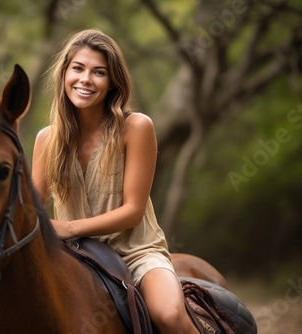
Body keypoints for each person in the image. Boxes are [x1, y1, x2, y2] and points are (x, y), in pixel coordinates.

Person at [31, 28, 199, 334]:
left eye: (99, 73)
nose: (85, 80)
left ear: (112, 83)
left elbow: (133, 211)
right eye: (78, 69)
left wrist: (66, 228)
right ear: (64, 74)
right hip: (73, 256)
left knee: (170, 316)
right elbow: (33, 209)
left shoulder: (136, 127)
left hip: (135, 253)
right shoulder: (46, 139)